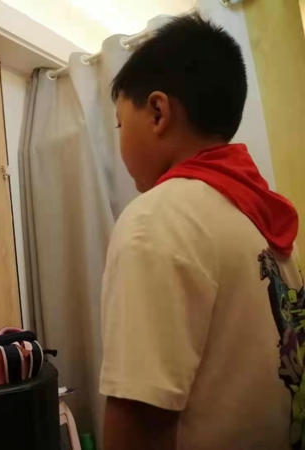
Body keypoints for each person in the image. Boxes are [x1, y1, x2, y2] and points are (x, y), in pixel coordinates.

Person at [100, 15, 301, 450]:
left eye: (120, 123)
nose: (119, 139)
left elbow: (139, 423)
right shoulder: (264, 217)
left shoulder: (156, 219)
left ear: (158, 112)